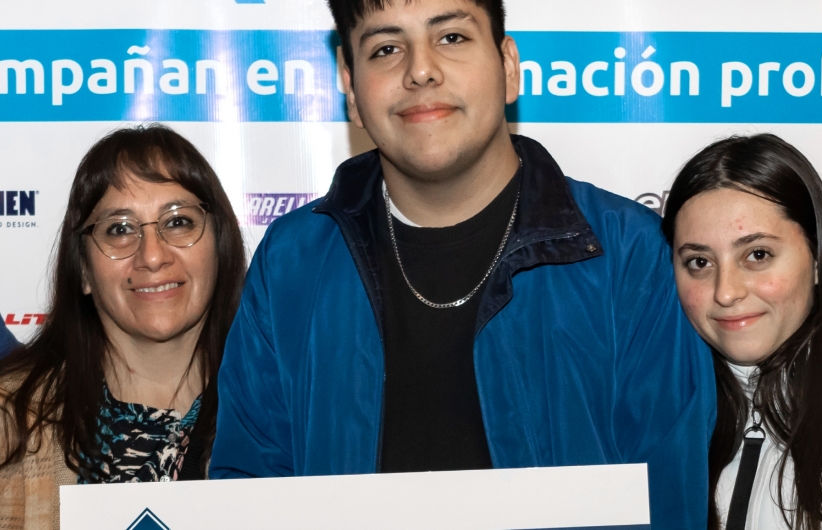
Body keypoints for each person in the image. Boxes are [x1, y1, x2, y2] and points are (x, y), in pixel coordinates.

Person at [210, 0, 715, 527]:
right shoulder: (292, 262)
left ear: (508, 67)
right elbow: (251, 498)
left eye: (451, 37)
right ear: (350, 87)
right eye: (386, 48)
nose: (420, 70)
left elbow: (667, 500)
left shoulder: (629, 253)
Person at [0, 125, 246, 529]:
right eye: (119, 228)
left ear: (220, 246)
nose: (152, 256)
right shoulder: (9, 419)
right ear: (83, 269)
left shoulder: (283, 416)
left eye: (178, 222)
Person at [661, 133, 822, 529]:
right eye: (699, 262)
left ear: (818, 256)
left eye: (757, 254)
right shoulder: (671, 407)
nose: (726, 292)